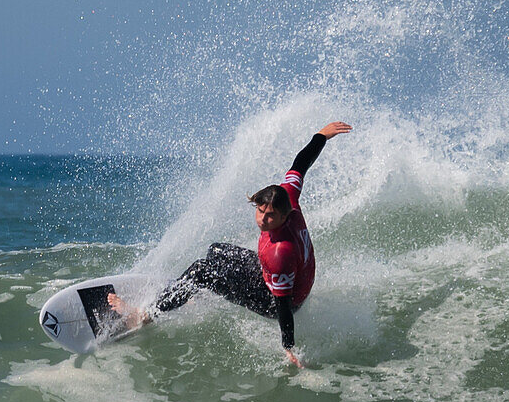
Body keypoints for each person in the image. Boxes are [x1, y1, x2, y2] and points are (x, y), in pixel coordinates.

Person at [109, 121, 352, 367]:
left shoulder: (281, 253)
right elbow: (301, 163)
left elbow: (283, 307)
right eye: (260, 211)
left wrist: (288, 346)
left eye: (270, 217)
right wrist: (321, 136)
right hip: (275, 272)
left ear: (284, 215)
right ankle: (191, 293)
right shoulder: (287, 194)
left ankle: (145, 316)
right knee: (216, 251)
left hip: (279, 298)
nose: (262, 220)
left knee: (202, 271)